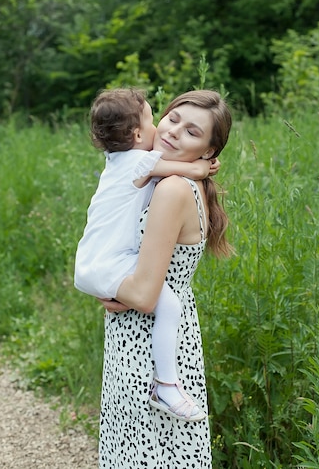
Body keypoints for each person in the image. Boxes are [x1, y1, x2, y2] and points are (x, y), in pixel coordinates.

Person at [97, 89, 232, 469]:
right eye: (173, 119)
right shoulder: (169, 177)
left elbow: (143, 294)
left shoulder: (171, 189)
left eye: (192, 132)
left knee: (147, 453)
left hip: (146, 342)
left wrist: (114, 290)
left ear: (208, 152)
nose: (174, 132)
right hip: (164, 330)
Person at [74, 88, 219, 422]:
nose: (167, 130)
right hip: (111, 269)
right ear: (138, 134)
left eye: (191, 131)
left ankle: (166, 386)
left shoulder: (125, 162)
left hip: (98, 263)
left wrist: (128, 292)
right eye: (162, 119)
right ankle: (166, 386)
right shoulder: (143, 163)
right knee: (167, 303)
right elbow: (194, 172)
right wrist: (203, 165)